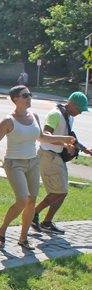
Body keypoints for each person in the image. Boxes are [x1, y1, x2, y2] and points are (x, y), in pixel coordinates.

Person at [0, 86, 75, 251]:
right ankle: (2, 229)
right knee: (22, 200)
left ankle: (23, 238)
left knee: (31, 201)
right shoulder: (8, 120)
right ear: (16, 99)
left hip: (33, 162)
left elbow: (42, 137)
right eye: (25, 95)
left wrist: (64, 140)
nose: (29, 97)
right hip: (14, 163)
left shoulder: (34, 116)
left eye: (30, 94)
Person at [32, 92, 91, 234]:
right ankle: (32, 214)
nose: (79, 113)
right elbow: (46, 135)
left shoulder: (69, 117)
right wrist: (64, 144)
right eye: (79, 109)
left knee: (62, 192)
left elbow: (69, 137)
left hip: (57, 157)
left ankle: (46, 223)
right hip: (48, 155)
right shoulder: (55, 114)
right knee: (59, 191)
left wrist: (84, 149)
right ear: (70, 103)